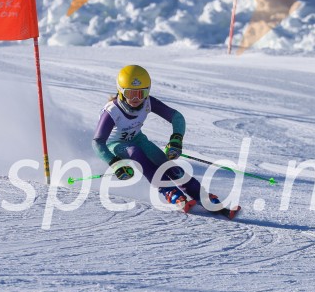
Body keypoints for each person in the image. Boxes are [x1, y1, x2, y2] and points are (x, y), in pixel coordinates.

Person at [92, 65, 222, 211]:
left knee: (164, 162)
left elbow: (177, 117)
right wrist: (115, 163)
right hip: (115, 145)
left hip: (137, 139)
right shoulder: (112, 111)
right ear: (121, 91)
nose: (136, 99)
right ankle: (169, 191)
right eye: (130, 93)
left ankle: (200, 195)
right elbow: (98, 143)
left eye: (141, 93)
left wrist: (176, 139)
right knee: (135, 152)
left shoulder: (148, 102)